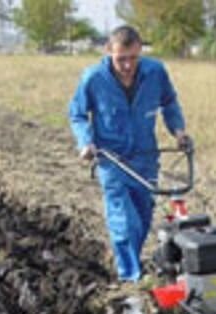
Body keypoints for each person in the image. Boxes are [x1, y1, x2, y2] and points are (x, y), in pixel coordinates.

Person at [69, 25, 191, 283]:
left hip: (146, 159)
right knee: (124, 221)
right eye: (121, 58)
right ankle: (131, 278)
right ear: (108, 51)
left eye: (133, 58)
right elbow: (77, 114)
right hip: (112, 160)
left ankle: (132, 267)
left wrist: (178, 131)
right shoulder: (93, 78)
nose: (127, 65)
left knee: (143, 217)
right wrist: (86, 142)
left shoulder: (155, 73)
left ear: (140, 52)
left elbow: (169, 101)